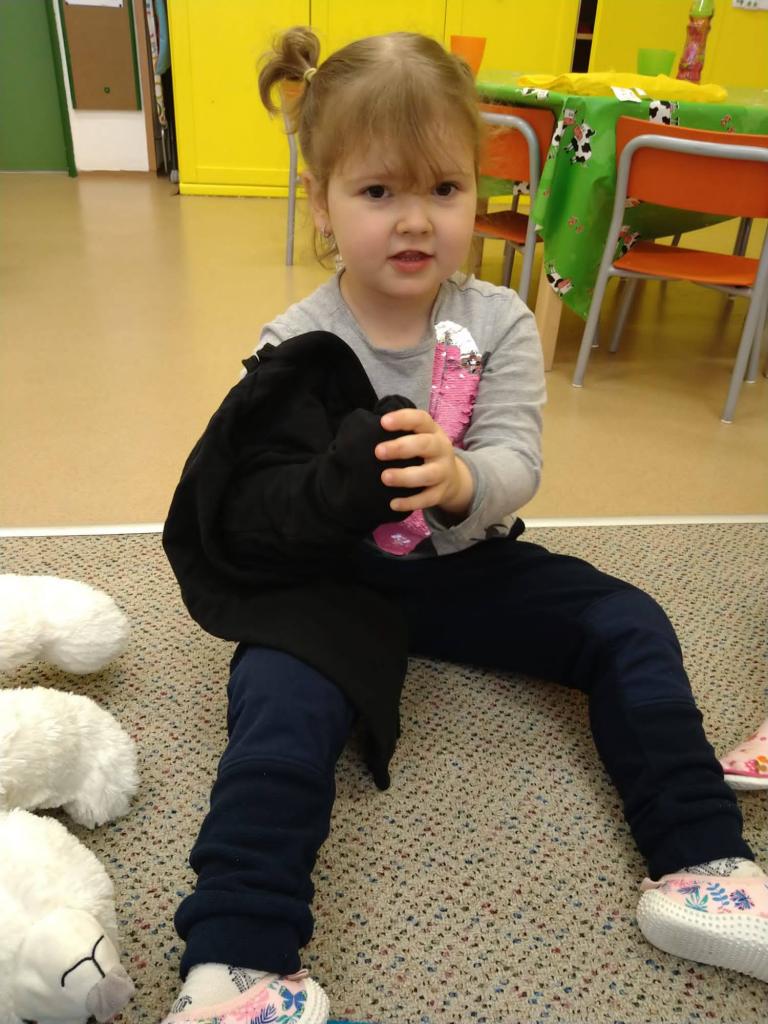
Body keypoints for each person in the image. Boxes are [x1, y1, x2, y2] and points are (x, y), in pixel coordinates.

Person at [159, 27, 767, 1024]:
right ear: (322, 201)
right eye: (378, 192)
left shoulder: (500, 321)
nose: (415, 221)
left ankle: (703, 865)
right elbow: (260, 500)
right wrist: (336, 486)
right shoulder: (297, 342)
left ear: (478, 193)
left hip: (466, 563)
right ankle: (239, 962)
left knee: (628, 620)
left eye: (443, 189)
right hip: (333, 580)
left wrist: (457, 479)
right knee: (276, 697)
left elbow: (518, 462)